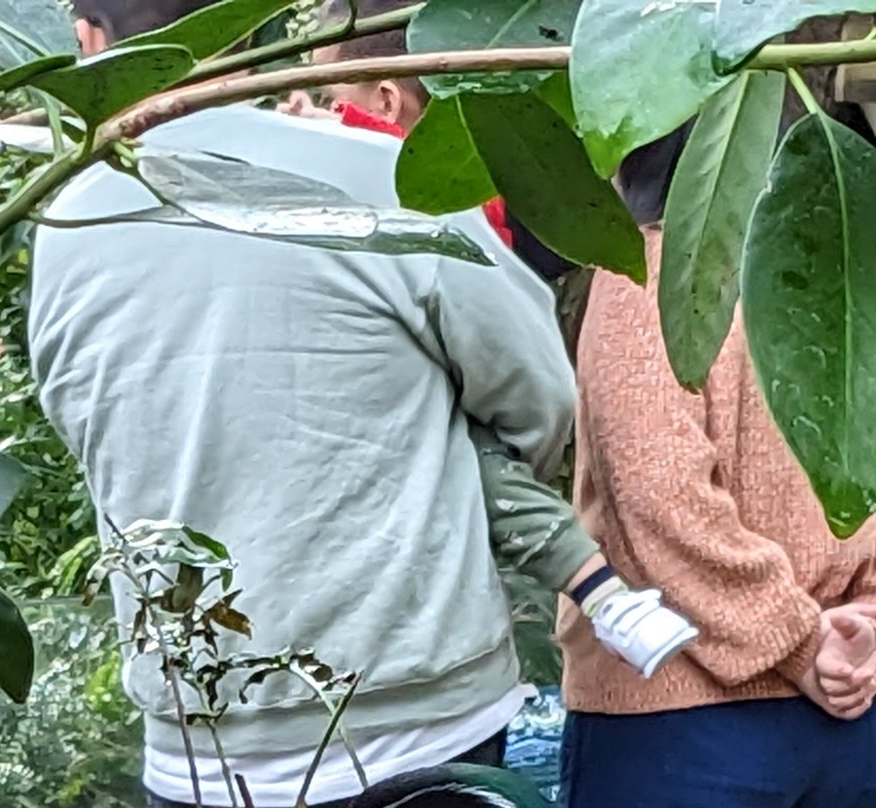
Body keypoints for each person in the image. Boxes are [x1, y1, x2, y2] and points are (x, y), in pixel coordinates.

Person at [30, 0, 586, 808]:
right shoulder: (380, 178)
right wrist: (457, 489)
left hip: (207, 741)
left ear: (90, 40)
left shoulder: (70, 219)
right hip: (422, 711)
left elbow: (81, 422)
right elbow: (540, 398)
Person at [556, 126, 876, 808]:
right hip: (848, 720)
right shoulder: (866, 277)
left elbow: (660, 497)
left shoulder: (648, 273)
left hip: (675, 723)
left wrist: (797, 641)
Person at [285, 36, 699, 686]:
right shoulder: (477, 167)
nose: (318, 111)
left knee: (478, 462)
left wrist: (307, 145)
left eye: (332, 98)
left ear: (387, 100)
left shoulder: (400, 187)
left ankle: (606, 599)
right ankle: (608, 599)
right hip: (471, 379)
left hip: (444, 389)